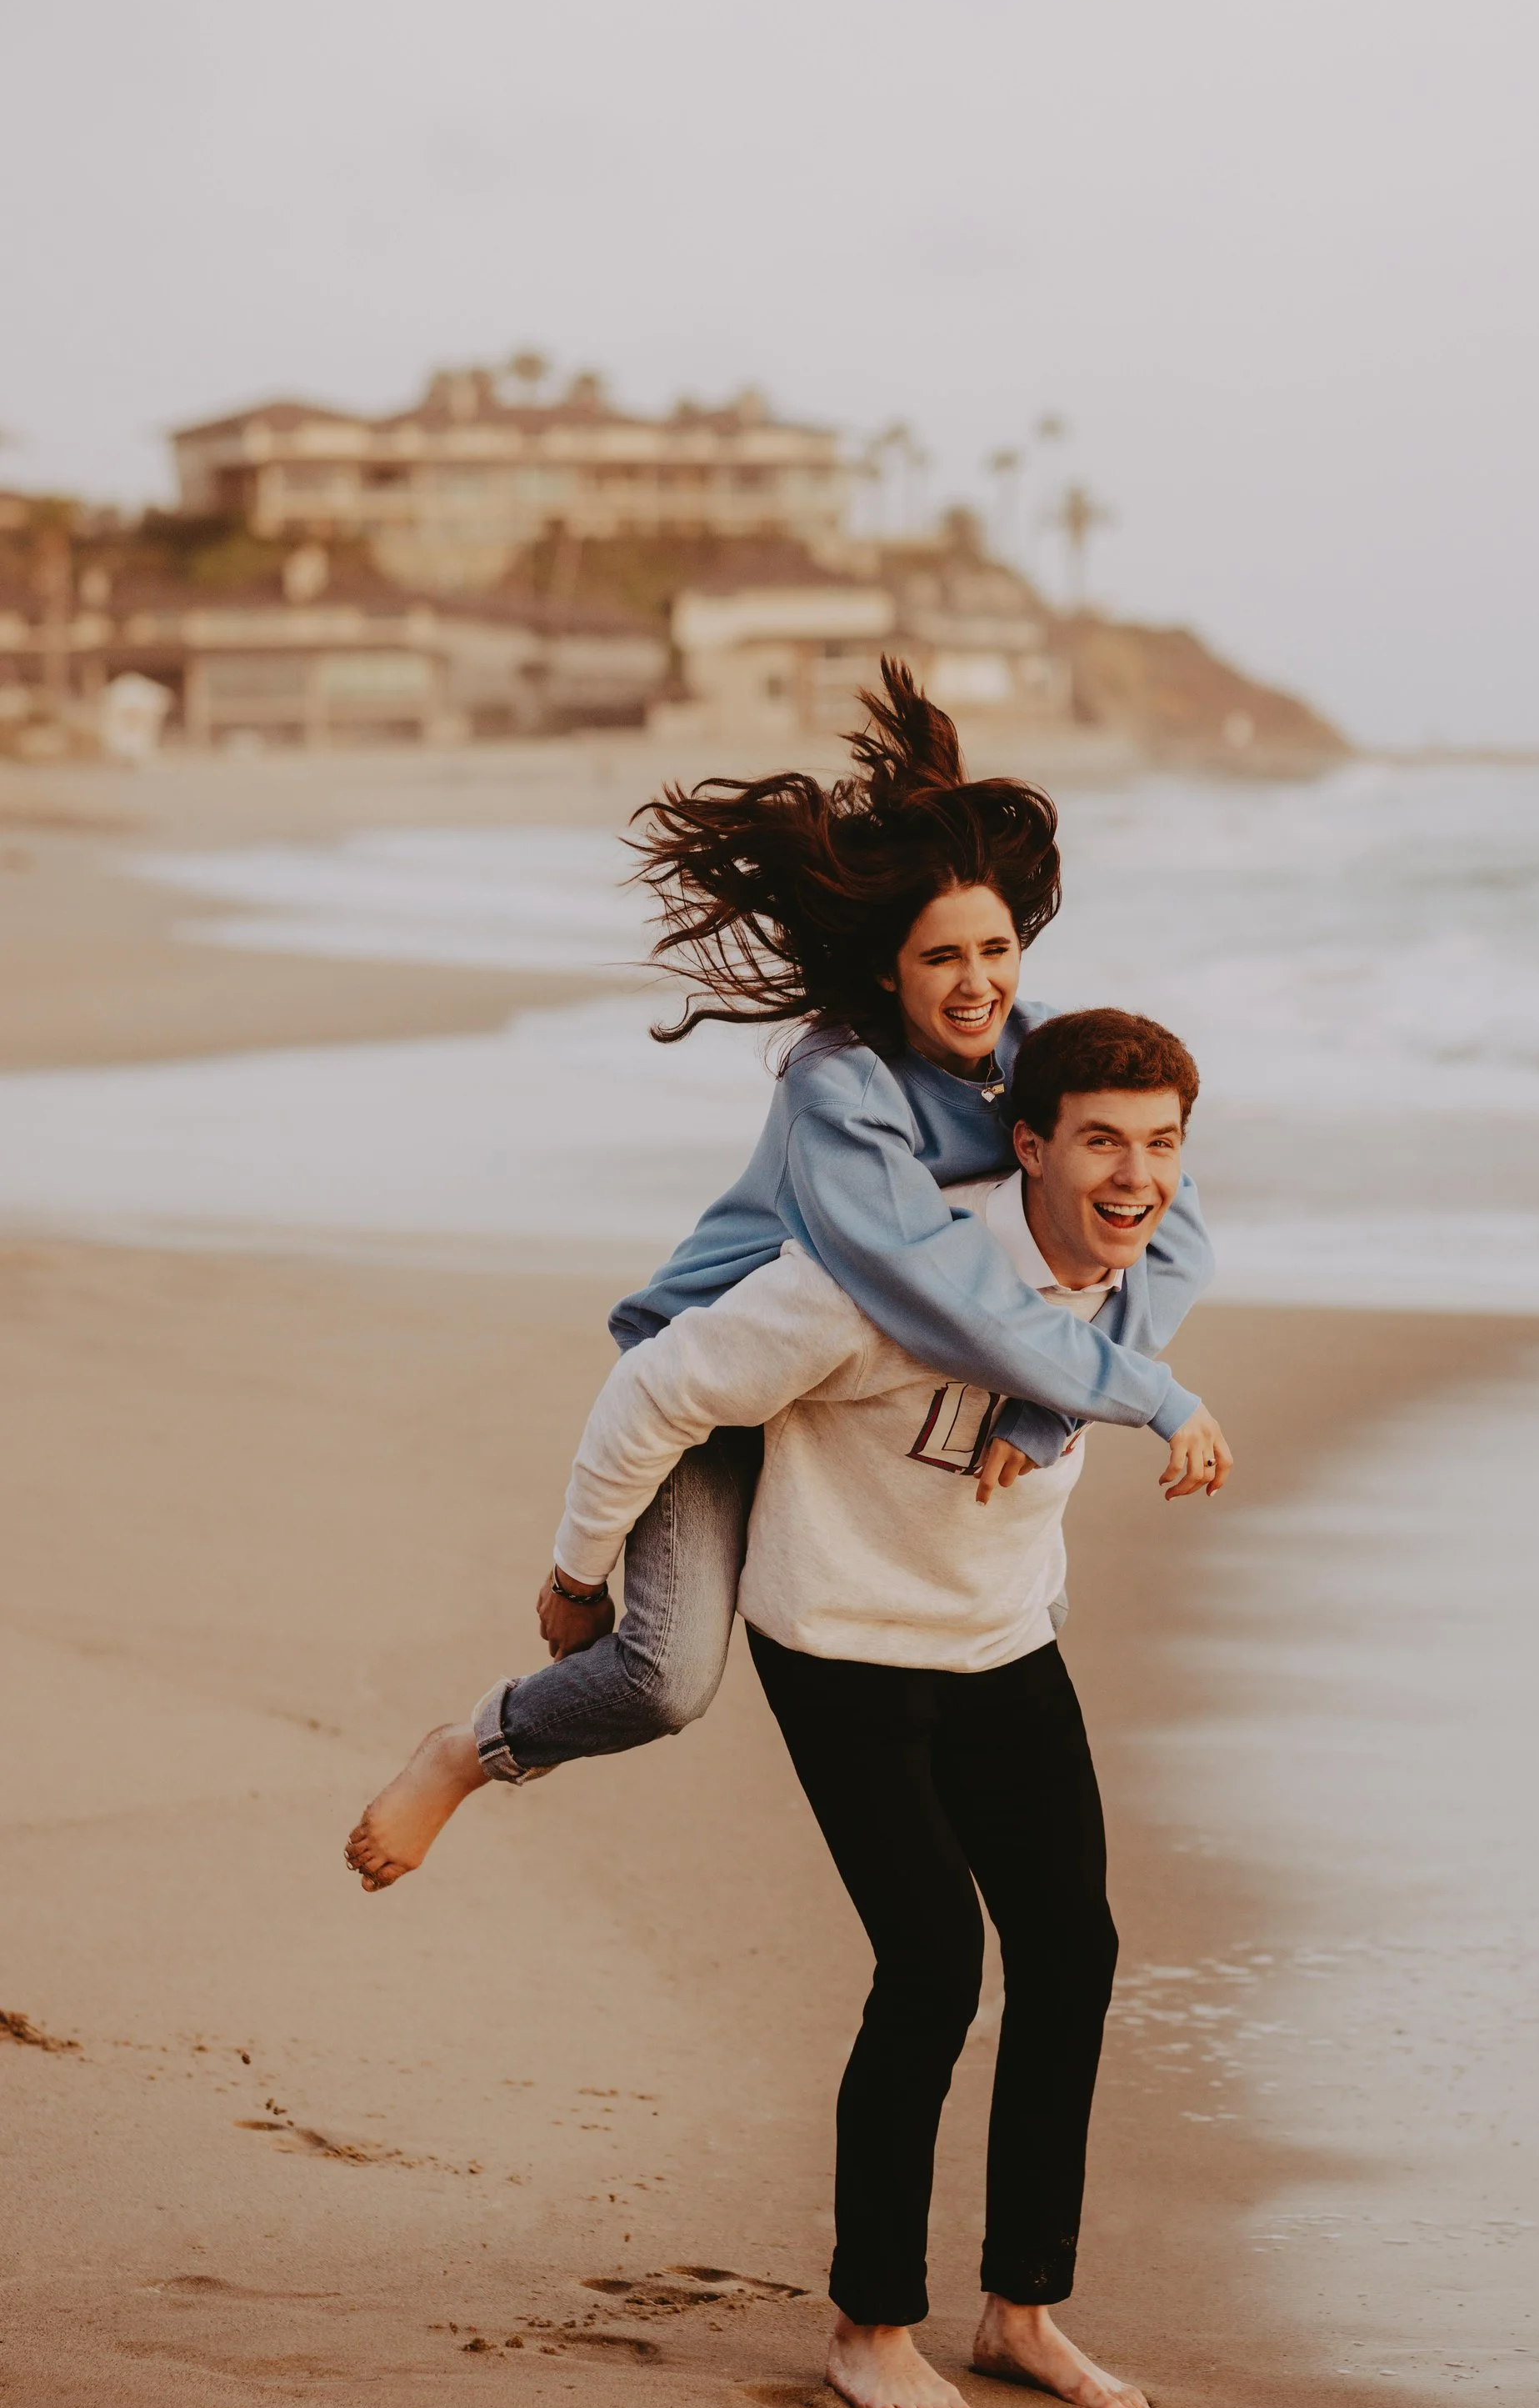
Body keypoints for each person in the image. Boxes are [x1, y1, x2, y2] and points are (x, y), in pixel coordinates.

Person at [347, 663, 1227, 1890]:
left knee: (1011, 1600)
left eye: (997, 949)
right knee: (665, 1679)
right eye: (942, 960)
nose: (979, 983)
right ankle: (471, 1745)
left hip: (872, 1381)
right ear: (886, 969)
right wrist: (574, 1573)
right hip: (727, 1368)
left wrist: (1056, 1399)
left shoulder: (1035, 1052)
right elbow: (920, 1283)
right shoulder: (839, 1087)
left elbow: (1173, 1227)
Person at [529, 1005, 1217, 2408]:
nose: (1134, 1177)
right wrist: (580, 1571)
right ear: (1025, 1144)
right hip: (841, 1647)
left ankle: (1023, 2308)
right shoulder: (873, 1282)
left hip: (1002, 1644)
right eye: (1099, 1141)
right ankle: (868, 2325)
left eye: (1160, 1147)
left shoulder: (1129, 1281)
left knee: (1072, 1951)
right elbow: (658, 1386)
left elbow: (1148, 1272)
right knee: (931, 1962)